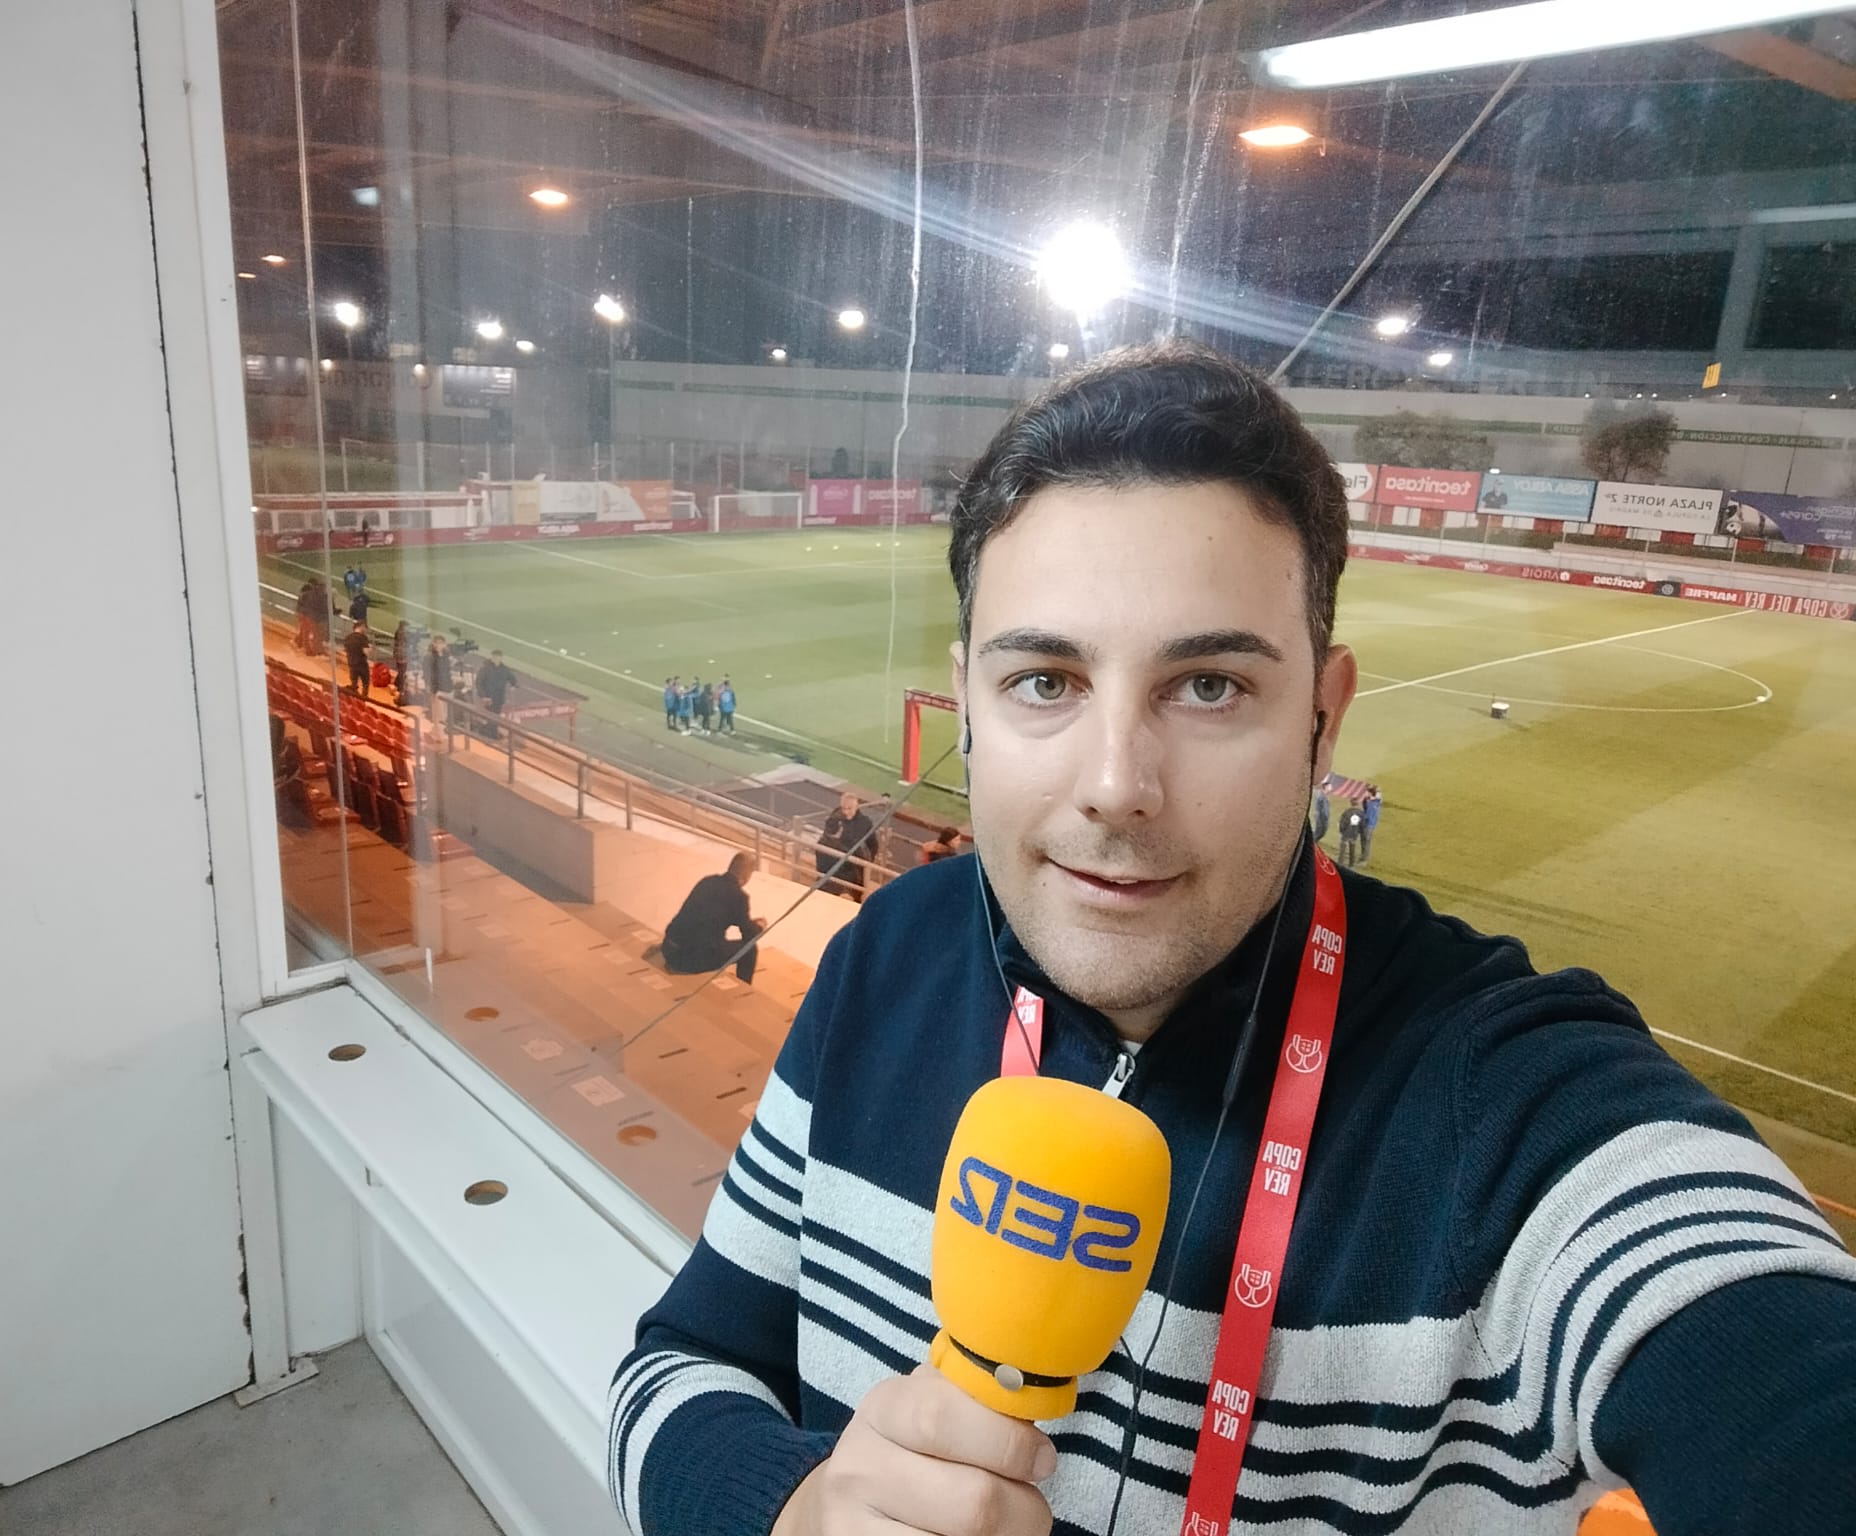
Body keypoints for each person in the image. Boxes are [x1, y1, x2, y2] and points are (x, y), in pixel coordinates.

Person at [608, 345, 1856, 1536]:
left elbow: (1770, 1368)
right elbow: (677, 1364)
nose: (1115, 786)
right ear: (967, 703)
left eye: (1208, 687)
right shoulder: (889, 955)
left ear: (1322, 720)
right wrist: (781, 1511)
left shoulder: (1505, 1102)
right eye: (1043, 681)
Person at [659, 853, 763, 984]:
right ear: (747, 875)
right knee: (749, 950)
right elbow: (748, 935)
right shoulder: (739, 897)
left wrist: (747, 923)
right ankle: (742, 991)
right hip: (689, 960)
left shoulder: (707, 882)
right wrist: (759, 927)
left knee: (710, 938)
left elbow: (714, 914)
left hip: (670, 949)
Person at [814, 790, 880, 901]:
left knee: (857, 891)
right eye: (843, 808)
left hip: (853, 863)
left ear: (856, 807)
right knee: (827, 888)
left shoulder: (864, 822)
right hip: (834, 861)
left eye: (849, 808)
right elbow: (827, 838)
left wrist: (868, 861)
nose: (846, 812)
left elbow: (873, 844)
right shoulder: (834, 818)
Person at [478, 648, 517, 737]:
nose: (496, 659)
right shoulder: (485, 668)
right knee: (491, 716)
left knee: (495, 716)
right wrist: (483, 696)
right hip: (488, 697)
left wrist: (513, 685)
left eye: (498, 657)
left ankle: (491, 733)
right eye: (494, 657)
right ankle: (490, 733)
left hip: (499, 697)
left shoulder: (504, 669)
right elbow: (479, 683)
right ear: (492, 657)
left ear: (501, 658)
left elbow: (512, 678)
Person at [343, 620, 372, 700]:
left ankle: (353, 700)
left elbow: (345, 650)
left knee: (353, 684)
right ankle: (363, 701)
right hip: (361, 664)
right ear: (361, 626)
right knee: (365, 683)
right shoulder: (363, 638)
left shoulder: (348, 637)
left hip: (351, 663)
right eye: (365, 628)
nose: (366, 630)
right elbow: (366, 652)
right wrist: (370, 648)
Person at [1337, 798, 1366, 868]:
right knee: (1352, 848)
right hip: (1354, 833)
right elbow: (1362, 825)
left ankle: (1340, 863)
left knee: (1343, 850)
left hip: (1346, 833)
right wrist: (1361, 832)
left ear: (1351, 803)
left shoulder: (1347, 812)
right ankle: (1351, 864)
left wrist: (1341, 831)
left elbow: (1342, 823)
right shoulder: (1361, 813)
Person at [1362, 782, 1382, 863]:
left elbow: (1367, 815)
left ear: (1370, 793)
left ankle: (1364, 858)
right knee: (1367, 841)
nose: (1365, 794)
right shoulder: (1376, 802)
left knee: (1366, 841)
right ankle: (1364, 856)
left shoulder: (1370, 803)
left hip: (1368, 824)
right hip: (1372, 823)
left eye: (1367, 792)